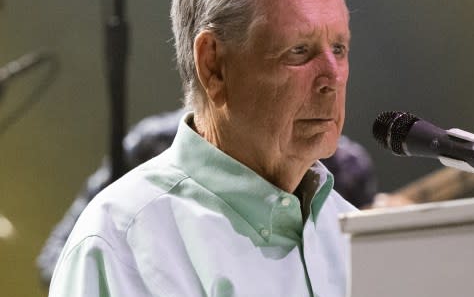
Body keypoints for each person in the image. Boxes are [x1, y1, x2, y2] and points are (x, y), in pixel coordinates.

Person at [46, 0, 359, 297]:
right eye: (299, 50)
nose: (332, 77)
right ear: (214, 65)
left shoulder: (357, 236)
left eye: (340, 48)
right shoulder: (124, 243)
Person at [37, 109, 376, 285]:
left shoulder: (345, 168)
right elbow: (57, 258)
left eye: (337, 48)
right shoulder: (154, 144)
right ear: (213, 63)